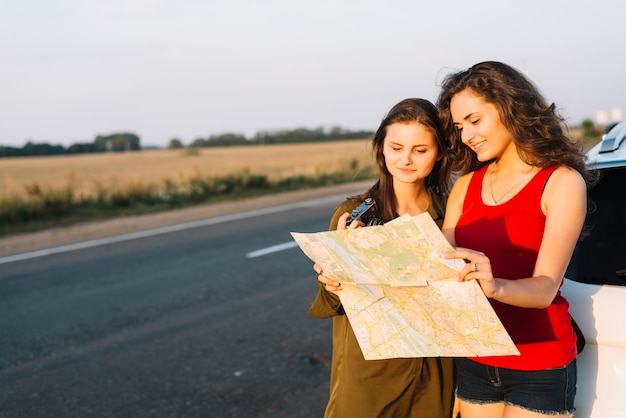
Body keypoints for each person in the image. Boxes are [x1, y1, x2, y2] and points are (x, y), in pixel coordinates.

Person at [436, 61, 595, 418]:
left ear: (510, 107)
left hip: (539, 361)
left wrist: (494, 287)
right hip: (475, 358)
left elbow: (543, 289)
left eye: (475, 121)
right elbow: (439, 273)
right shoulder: (464, 187)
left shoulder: (561, 181)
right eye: (460, 127)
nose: (466, 136)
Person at [310, 98, 455, 418]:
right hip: (368, 377)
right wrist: (335, 276)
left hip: (434, 375)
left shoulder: (452, 214)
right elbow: (331, 302)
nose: (406, 159)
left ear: (440, 153)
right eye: (396, 147)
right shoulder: (350, 215)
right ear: (381, 149)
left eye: (420, 150)